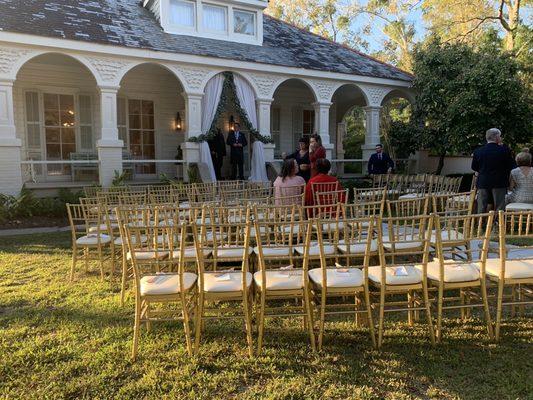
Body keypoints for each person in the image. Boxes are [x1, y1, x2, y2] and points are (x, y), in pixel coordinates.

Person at [471, 128, 515, 213]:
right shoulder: (504, 150)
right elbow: (511, 165)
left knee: (481, 206)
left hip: (483, 182)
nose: (501, 138)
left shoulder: (478, 151)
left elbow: (474, 167)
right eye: (500, 136)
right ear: (497, 137)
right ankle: (498, 224)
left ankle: (480, 224)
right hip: (499, 182)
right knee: (499, 206)